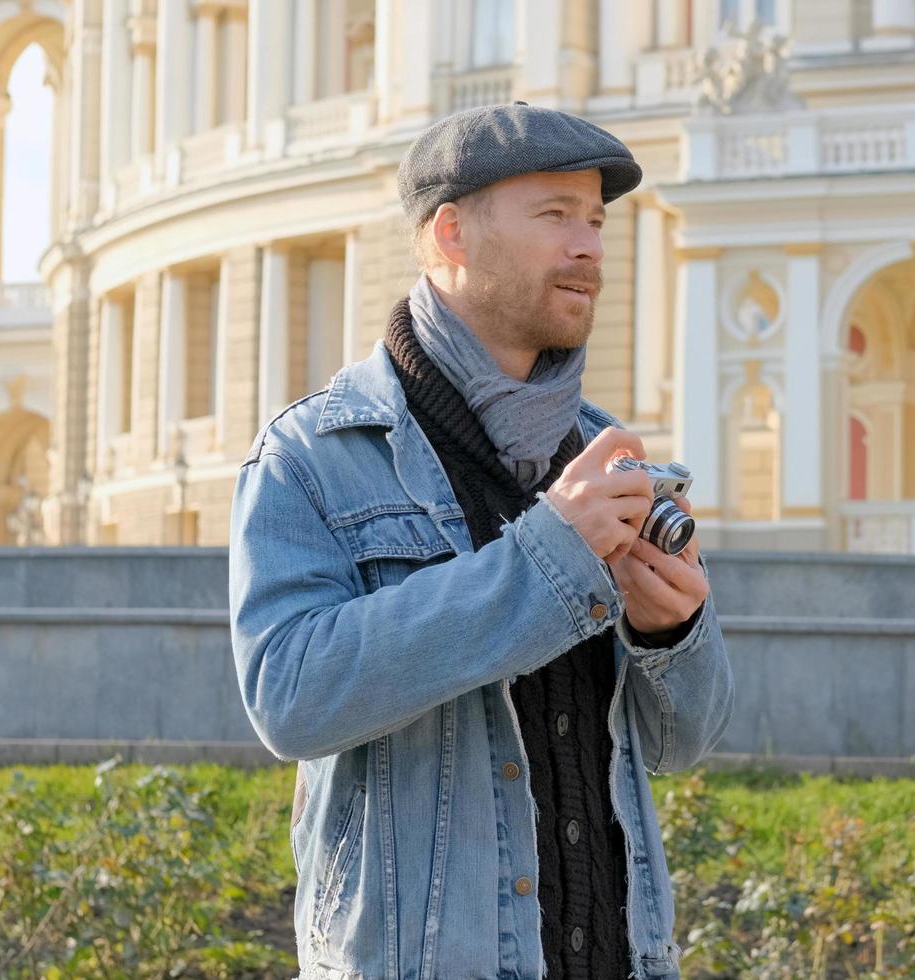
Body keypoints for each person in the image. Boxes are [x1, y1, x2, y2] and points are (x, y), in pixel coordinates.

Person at [228, 102, 735, 980]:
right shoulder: (315, 451)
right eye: (553, 216)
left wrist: (673, 635)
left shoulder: (600, 450)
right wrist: (550, 559)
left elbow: (678, 744)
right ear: (451, 235)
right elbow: (290, 696)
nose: (589, 247)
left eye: (595, 220)